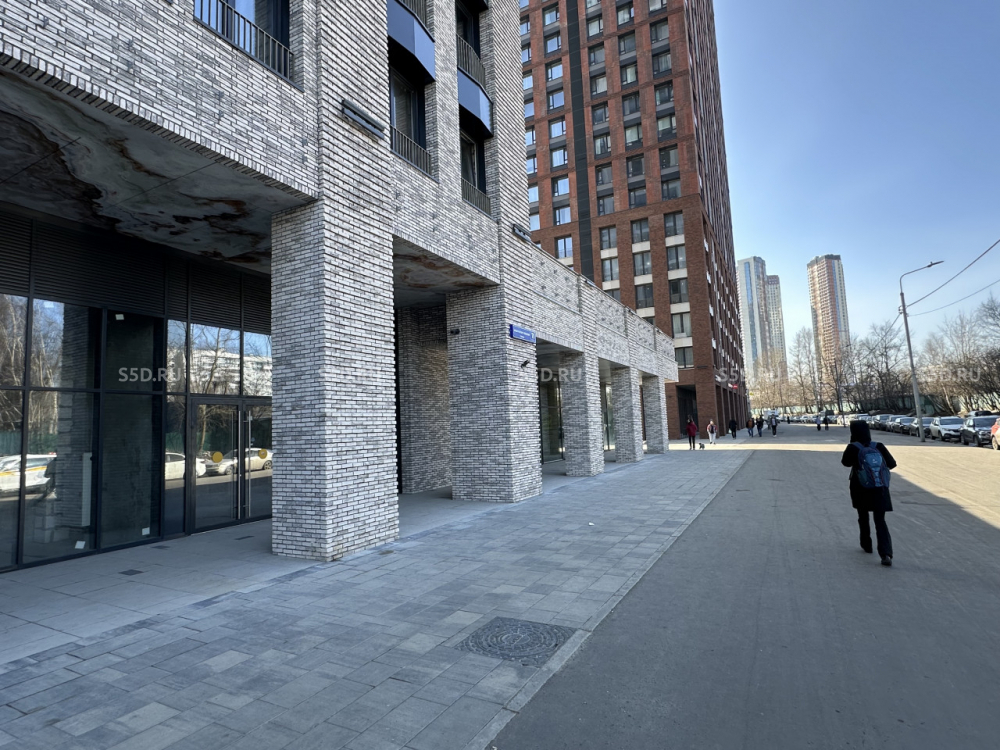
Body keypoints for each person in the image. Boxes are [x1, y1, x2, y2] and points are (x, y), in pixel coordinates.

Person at [841, 420, 895, 565]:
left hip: (860, 487)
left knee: (863, 516)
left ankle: (866, 544)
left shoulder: (853, 447)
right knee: (880, 521)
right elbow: (892, 464)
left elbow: (845, 463)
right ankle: (886, 554)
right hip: (879, 487)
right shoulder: (878, 446)